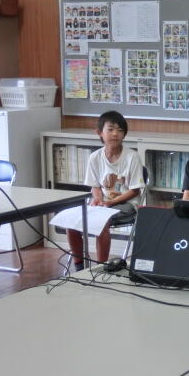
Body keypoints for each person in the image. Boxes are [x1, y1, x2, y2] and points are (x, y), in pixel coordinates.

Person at [67, 111, 144, 271]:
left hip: (128, 204)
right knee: (71, 222)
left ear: (124, 134)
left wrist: (110, 202)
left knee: (101, 221)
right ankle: (79, 267)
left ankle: (99, 268)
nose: (115, 134)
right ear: (100, 133)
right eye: (110, 129)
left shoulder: (132, 157)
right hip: (103, 203)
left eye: (120, 130)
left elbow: (135, 191)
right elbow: (95, 186)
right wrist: (98, 199)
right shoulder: (95, 157)